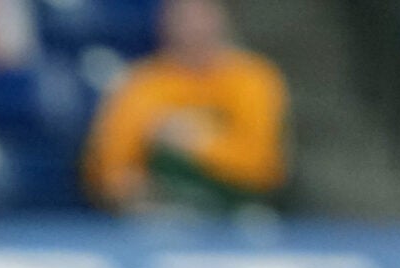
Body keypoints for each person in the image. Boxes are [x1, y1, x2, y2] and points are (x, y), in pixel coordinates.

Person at [82, 0, 288, 217]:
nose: (193, 27)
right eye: (183, 17)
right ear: (165, 23)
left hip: (238, 207)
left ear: (221, 19)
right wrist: (136, 186)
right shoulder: (142, 83)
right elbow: (111, 171)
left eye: (202, 15)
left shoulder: (253, 79)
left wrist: (198, 141)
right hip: (162, 211)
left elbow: (263, 166)